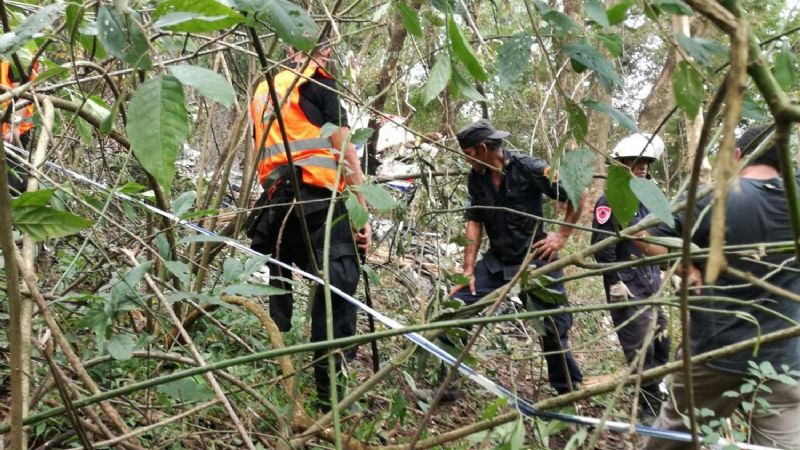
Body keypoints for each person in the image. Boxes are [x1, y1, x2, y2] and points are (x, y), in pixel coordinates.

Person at [638, 124, 800, 449]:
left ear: (737, 156)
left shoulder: (712, 199)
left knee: (674, 440)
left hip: (713, 352)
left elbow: (642, 237)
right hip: (783, 360)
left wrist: (687, 264)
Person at [247, 44, 371, 411]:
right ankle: (329, 395)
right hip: (320, 202)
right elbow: (345, 150)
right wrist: (362, 214)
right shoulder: (320, 83)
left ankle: (288, 351)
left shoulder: (265, 89)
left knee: (314, 284)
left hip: (276, 208)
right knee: (337, 291)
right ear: (326, 51)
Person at [449, 119, 584, 395]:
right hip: (498, 261)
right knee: (454, 310)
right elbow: (474, 221)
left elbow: (575, 194)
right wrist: (467, 269)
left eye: (468, 154)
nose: (466, 161)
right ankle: (447, 386)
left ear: (482, 148)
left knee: (554, 330)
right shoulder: (477, 178)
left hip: (536, 259)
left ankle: (567, 396)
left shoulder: (529, 168)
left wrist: (562, 235)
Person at [590, 133, 670, 420]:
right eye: (635, 162)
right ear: (621, 164)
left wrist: (665, 266)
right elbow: (601, 245)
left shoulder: (649, 197)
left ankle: (659, 391)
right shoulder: (609, 199)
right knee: (639, 344)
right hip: (627, 283)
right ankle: (648, 405)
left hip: (650, 279)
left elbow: (660, 234)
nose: (642, 167)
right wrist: (614, 282)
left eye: (646, 162)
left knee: (661, 337)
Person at [2, 59, 38, 194]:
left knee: (13, 179)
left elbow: (21, 92)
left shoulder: (14, 53)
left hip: (12, 132)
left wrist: (14, 126)